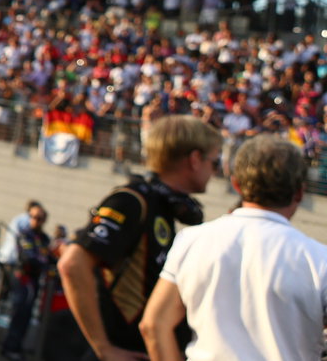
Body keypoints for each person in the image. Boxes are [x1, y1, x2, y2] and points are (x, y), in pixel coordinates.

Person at [141, 135, 327, 361]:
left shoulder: (191, 241)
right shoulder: (318, 259)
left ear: (236, 184)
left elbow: (154, 324)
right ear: (299, 192)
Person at [55, 116, 220, 361]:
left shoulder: (163, 206)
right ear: (195, 159)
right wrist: (104, 348)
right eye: (214, 162)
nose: (215, 171)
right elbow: (72, 264)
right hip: (123, 351)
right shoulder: (133, 200)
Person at [0, 202, 53, 361]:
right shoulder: (24, 234)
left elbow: (48, 258)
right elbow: (29, 258)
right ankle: (10, 346)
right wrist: (44, 263)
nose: (35, 220)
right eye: (33, 217)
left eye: (39, 218)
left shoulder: (44, 238)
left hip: (34, 280)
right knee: (20, 313)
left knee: (27, 315)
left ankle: (16, 345)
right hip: (23, 278)